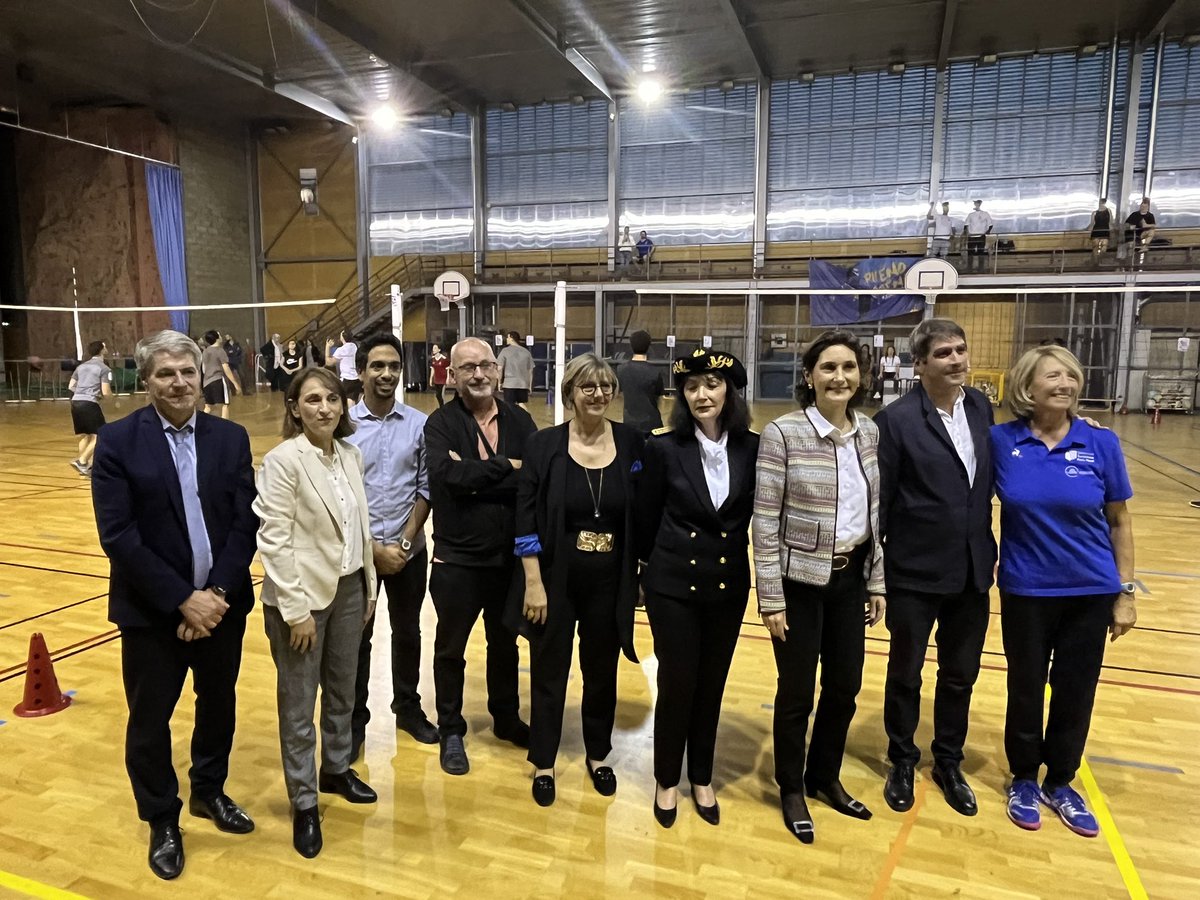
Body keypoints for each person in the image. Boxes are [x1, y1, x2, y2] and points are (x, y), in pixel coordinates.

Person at [90, 330, 258, 881]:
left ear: (198, 373)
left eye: (187, 371)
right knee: (149, 720)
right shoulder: (116, 442)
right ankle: (163, 817)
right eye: (166, 373)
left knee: (218, 705)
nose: (180, 382)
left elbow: (244, 524)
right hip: (152, 613)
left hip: (222, 606)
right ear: (147, 380)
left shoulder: (230, 438)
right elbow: (119, 537)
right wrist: (182, 600)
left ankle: (209, 791)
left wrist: (216, 597)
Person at [991, 345, 1136, 837]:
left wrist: (1126, 592)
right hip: (1026, 590)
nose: (1066, 385)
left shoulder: (1102, 443)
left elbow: (1119, 521)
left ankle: (1061, 781)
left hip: (1090, 591)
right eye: (1054, 376)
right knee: (1025, 688)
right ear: (1027, 387)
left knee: (1076, 692)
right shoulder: (1000, 441)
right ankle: (1025, 778)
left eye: (1072, 377)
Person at [752, 330, 886, 845]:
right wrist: (771, 599)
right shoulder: (783, 434)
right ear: (809, 377)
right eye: (828, 368)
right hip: (799, 584)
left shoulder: (869, 433)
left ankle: (824, 776)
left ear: (861, 375)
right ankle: (791, 787)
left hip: (851, 581)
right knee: (796, 693)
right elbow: (765, 523)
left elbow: (873, 516)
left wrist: (877, 581)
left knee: (845, 687)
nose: (839, 377)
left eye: (849, 367)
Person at [255, 366, 379, 859]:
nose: (325, 407)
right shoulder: (284, 460)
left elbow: (360, 528)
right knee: (299, 703)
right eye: (312, 400)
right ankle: (304, 801)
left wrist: (368, 588)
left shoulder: (350, 454)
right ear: (294, 408)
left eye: (332, 397)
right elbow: (274, 538)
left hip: (350, 591)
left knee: (344, 691)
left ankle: (335, 769)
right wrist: (295, 609)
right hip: (303, 600)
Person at [875, 319, 996, 817]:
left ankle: (948, 760)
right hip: (913, 572)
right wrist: (876, 573)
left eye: (961, 350)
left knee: (960, 674)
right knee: (905, 672)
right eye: (944, 353)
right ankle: (901, 756)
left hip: (971, 570)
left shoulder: (983, 408)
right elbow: (880, 501)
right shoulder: (896, 420)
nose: (957, 359)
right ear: (920, 364)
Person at [513, 353, 643, 807]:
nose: (599, 395)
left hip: (609, 579)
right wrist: (533, 581)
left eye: (606, 387)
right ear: (570, 392)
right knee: (550, 670)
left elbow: (643, 511)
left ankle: (598, 754)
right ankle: (544, 760)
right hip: (556, 578)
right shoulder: (543, 445)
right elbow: (525, 517)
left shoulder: (631, 443)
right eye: (588, 387)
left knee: (601, 672)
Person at [636, 347, 757, 828]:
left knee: (711, 687)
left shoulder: (754, 445)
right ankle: (667, 780)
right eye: (691, 387)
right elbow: (646, 519)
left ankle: (702, 776)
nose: (702, 394)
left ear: (729, 391)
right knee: (677, 684)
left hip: (727, 585)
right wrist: (641, 579)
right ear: (681, 396)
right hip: (673, 586)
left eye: (711, 384)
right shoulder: (663, 448)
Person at [424, 337, 536, 776]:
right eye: (467, 368)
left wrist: (478, 475)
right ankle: (451, 727)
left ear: (498, 371)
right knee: (450, 648)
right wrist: (510, 467)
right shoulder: (441, 424)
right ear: (452, 376)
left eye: (485, 366)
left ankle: (506, 718)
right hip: (458, 561)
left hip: (508, 561)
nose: (478, 374)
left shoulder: (520, 421)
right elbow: (447, 477)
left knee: (505, 644)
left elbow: (534, 482)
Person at [346, 334, 436, 757]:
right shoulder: (342, 427)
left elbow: (425, 488)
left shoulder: (419, 424)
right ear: (361, 371)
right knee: (357, 639)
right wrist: (373, 549)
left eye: (394, 366)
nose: (387, 374)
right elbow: (341, 496)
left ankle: (407, 707)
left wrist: (402, 542)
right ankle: (353, 720)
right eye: (378, 366)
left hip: (408, 553)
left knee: (408, 632)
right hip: (358, 556)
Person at [69, 340, 113, 476]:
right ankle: (82, 461)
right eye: (104, 346)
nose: (106, 347)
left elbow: (71, 386)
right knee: (100, 435)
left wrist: (82, 391)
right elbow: (106, 392)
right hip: (89, 403)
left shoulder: (81, 367)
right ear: (101, 350)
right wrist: (111, 399)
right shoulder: (104, 368)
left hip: (75, 402)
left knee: (85, 435)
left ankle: (84, 465)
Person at [617, 330, 664, 435]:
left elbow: (619, 395)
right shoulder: (655, 372)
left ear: (631, 346)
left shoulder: (621, 370)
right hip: (652, 424)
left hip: (630, 424)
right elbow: (659, 398)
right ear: (648, 347)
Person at [201, 329, 241, 419]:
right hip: (218, 380)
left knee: (208, 407)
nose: (221, 336)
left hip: (206, 382)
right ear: (216, 338)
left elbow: (204, 369)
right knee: (225, 404)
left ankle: (200, 425)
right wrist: (235, 384)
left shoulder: (205, 351)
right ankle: (224, 427)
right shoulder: (220, 351)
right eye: (219, 335)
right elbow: (226, 368)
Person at [497, 330, 535, 410]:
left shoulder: (505, 351)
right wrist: (529, 385)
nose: (506, 339)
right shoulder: (526, 352)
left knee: (509, 406)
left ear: (511, 338)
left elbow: (499, 368)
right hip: (523, 384)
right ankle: (526, 417)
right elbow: (530, 371)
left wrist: (499, 382)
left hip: (509, 384)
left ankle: (512, 421)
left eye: (507, 337)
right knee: (521, 404)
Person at [326, 330, 362, 402]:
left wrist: (327, 347)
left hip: (347, 378)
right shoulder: (355, 346)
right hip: (356, 377)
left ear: (342, 337)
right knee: (353, 401)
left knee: (339, 398)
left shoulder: (342, 349)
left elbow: (328, 363)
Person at [1122, 198, 1156, 270]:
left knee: (1152, 231)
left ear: (1148, 207)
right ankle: (1128, 266)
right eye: (1142, 206)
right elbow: (1126, 224)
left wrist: (1146, 225)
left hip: (1142, 234)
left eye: (1145, 207)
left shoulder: (1150, 215)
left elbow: (1154, 225)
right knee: (1131, 247)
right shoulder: (1134, 214)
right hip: (1132, 234)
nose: (1143, 208)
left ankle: (1145, 246)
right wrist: (1130, 226)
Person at [964, 200, 994, 273]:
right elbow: (966, 225)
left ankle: (980, 268)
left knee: (981, 252)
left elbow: (990, 224)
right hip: (972, 235)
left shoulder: (985, 214)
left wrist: (987, 232)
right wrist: (966, 233)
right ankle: (970, 268)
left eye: (977, 203)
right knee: (970, 252)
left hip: (981, 235)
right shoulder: (971, 214)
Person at [1086, 198, 1113, 266]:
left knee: (1104, 247)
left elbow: (1110, 221)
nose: (1102, 204)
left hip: (1105, 230)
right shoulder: (1095, 212)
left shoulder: (1108, 211)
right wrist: (1088, 229)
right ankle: (1096, 262)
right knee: (1095, 247)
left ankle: (1099, 258)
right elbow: (1092, 223)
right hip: (1096, 230)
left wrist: (1111, 229)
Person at [429, 343, 451, 408]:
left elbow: (447, 369)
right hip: (436, 380)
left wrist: (447, 378)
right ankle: (441, 407)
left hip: (443, 380)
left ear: (439, 350)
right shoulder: (432, 359)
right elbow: (433, 369)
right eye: (433, 348)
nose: (433, 350)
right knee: (437, 395)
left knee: (441, 395)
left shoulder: (444, 359)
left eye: (435, 348)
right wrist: (431, 379)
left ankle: (442, 408)